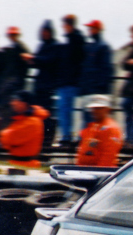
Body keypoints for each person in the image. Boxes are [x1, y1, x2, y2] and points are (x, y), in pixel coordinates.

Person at [56, 15, 86, 145]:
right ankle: (67, 135)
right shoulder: (73, 40)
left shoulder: (75, 40)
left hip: (70, 81)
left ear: (68, 25)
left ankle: (67, 136)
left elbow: (76, 61)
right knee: (67, 110)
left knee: (67, 110)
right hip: (68, 80)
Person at [0, 91, 49, 167]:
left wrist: (5, 134)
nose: (12, 103)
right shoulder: (21, 119)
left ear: (24, 103)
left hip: (26, 166)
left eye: (15, 100)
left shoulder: (33, 121)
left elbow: (9, 139)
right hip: (16, 163)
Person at [79, 20, 113, 127]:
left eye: (92, 28)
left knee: (93, 120)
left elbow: (106, 69)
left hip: (95, 90)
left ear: (98, 30)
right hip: (89, 89)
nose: (89, 31)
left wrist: (99, 87)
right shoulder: (91, 46)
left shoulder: (103, 47)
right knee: (87, 118)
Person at [76, 95, 123, 167]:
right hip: (85, 171)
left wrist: (100, 172)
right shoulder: (93, 127)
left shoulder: (111, 128)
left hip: (99, 173)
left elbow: (108, 155)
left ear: (107, 109)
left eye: (99, 108)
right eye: (93, 108)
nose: (95, 111)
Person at [0, 26, 31, 119]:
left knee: (13, 108)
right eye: (10, 34)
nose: (12, 36)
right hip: (11, 82)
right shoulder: (12, 47)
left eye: (14, 34)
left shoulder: (21, 47)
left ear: (18, 35)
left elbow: (29, 61)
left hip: (16, 83)